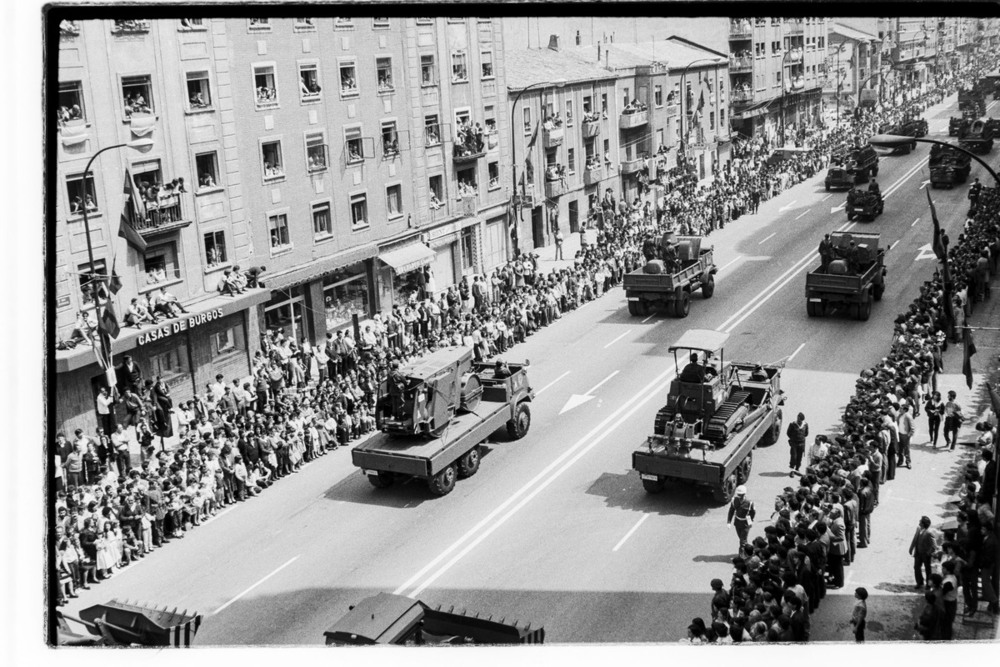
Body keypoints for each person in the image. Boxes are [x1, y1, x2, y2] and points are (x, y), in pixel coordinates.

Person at [910, 515, 937, 589]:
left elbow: (934, 546)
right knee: (916, 567)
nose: (919, 522)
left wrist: (928, 552)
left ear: (923, 523)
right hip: (918, 553)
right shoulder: (918, 529)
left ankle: (928, 584)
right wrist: (911, 548)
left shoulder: (929, 533)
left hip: (925, 554)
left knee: (928, 569)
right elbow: (915, 539)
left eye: (920, 521)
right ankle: (919, 582)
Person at [726, 485, 755, 552]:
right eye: (738, 494)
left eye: (740, 494)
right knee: (742, 539)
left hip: (746, 523)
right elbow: (731, 511)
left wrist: (750, 521)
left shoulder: (749, 502)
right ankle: (749, 551)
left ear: (744, 494)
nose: (739, 496)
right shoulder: (734, 500)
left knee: (742, 541)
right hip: (737, 523)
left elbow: (753, 512)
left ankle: (742, 556)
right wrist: (729, 522)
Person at [786, 412, 808, 476]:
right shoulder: (792, 424)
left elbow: (806, 433)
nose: (799, 422)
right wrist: (793, 438)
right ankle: (792, 470)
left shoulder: (805, 425)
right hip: (794, 444)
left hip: (801, 444)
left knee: (799, 457)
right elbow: (788, 433)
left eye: (800, 420)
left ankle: (797, 469)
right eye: (798, 420)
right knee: (793, 457)